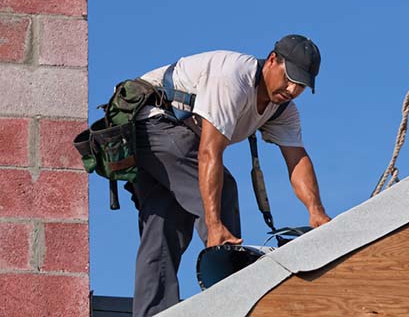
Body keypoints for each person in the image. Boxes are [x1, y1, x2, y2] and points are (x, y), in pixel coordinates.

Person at [129, 34, 331, 316]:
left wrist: (317, 213)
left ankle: (152, 312)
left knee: (165, 224)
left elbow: (296, 158)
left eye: (300, 85)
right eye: (288, 78)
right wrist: (214, 226)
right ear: (272, 61)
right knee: (224, 191)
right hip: (155, 121)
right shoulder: (234, 78)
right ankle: (232, 301)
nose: (291, 89)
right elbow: (209, 153)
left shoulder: (283, 109)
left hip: (166, 134)